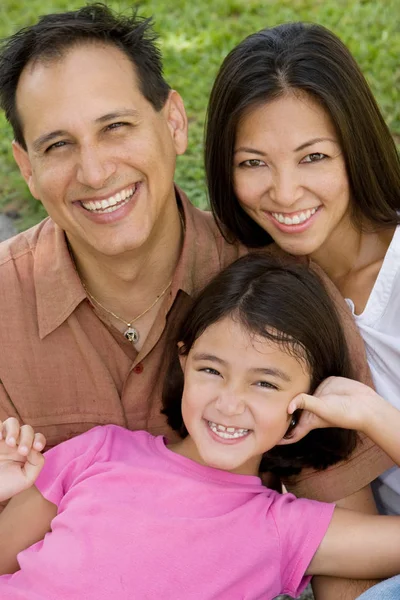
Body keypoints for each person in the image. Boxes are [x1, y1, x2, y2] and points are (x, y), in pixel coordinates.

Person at [0, 7, 389, 597]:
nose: (96, 170)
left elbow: (345, 553)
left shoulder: (279, 292)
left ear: (174, 122)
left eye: (116, 127)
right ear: (26, 166)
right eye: (58, 144)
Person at [0, 253, 399, 600]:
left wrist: (373, 414)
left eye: (264, 383)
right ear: (183, 361)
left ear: (307, 398)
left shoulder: (285, 530)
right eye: (211, 370)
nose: (228, 404)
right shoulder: (98, 452)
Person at [205, 22, 400, 518]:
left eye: (313, 157)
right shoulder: (266, 287)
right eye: (253, 163)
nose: (286, 192)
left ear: (354, 148)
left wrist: (375, 418)